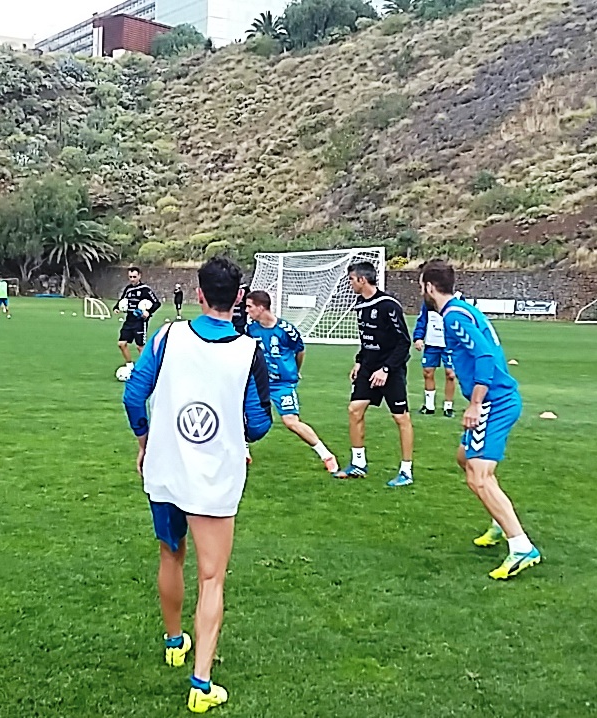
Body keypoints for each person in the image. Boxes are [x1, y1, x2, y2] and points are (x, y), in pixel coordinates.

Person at [123, 256, 272, 714]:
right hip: (215, 475)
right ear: (240, 298)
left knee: (171, 553)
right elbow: (260, 422)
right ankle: (201, 684)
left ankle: (173, 641)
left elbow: (134, 395)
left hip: (166, 469)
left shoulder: (167, 336)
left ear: (200, 294)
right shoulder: (250, 352)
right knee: (212, 576)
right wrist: (237, 436)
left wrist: (146, 442)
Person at [419, 260, 540, 579]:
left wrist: (475, 403)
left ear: (429, 287)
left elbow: (484, 356)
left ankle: (521, 547)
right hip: (495, 399)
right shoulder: (462, 309)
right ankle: (500, 521)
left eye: (422, 287)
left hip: (494, 402)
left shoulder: (454, 316)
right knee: (465, 458)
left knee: (478, 477)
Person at [333, 262, 414, 487]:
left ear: (362, 280)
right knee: (354, 409)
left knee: (401, 418)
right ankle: (358, 464)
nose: (349, 284)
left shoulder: (389, 305)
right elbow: (368, 341)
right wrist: (360, 362)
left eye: (351, 279)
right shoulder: (360, 304)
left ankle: (406, 471)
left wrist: (386, 369)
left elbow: (403, 343)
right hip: (369, 367)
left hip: (391, 369)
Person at [245, 290, 338, 474]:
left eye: (250, 307)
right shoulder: (250, 329)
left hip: (282, 384)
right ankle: (244, 450)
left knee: (291, 421)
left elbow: (300, 351)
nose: (247, 311)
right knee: (242, 411)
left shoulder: (286, 330)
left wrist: (295, 371)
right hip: (258, 382)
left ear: (261, 307)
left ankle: (326, 455)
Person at [414, 288, 458, 417]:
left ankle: (448, 406)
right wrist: (418, 337)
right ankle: (429, 406)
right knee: (428, 372)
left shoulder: (457, 299)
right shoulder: (428, 301)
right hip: (432, 342)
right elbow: (422, 320)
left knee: (450, 374)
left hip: (449, 343)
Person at [113, 267, 162, 370]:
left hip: (140, 322)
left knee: (140, 347)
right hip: (129, 321)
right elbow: (122, 301)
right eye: (130, 277)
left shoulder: (145, 290)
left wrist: (148, 311)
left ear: (139, 276)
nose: (132, 279)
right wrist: (117, 308)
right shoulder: (128, 289)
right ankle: (130, 366)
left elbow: (157, 303)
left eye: (134, 277)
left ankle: (148, 369)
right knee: (121, 343)